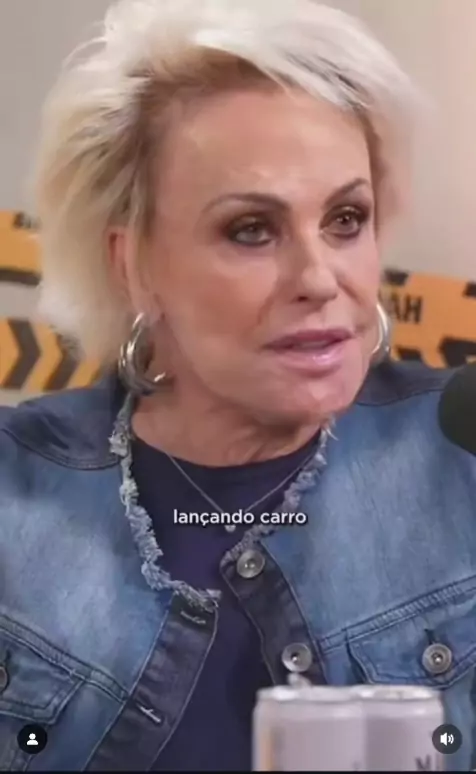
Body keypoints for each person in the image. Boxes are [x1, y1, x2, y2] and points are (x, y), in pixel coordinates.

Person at [1, 0, 475, 770]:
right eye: (251, 229)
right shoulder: (14, 492)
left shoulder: (462, 453)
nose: (320, 278)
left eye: (346, 218)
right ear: (133, 264)